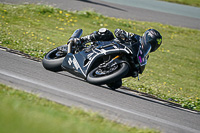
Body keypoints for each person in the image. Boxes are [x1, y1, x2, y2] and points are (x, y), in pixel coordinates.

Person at [70, 28, 162, 88]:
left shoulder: (145, 55)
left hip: (121, 59)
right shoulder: (136, 38)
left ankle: (102, 69)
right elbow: (119, 31)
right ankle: (82, 40)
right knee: (105, 32)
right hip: (111, 45)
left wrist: (136, 70)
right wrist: (121, 33)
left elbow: (140, 66)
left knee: (116, 84)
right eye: (151, 42)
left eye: (154, 45)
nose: (152, 45)